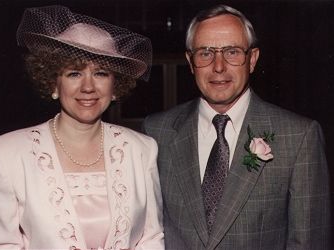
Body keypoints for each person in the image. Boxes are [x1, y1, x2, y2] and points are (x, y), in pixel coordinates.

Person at [142, 4, 331, 250]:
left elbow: (309, 242)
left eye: (232, 52)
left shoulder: (298, 137)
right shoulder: (156, 132)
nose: (218, 66)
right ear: (190, 62)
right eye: (205, 53)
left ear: (252, 59)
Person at [0, 5, 164, 250]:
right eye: (74, 73)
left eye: (100, 73)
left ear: (115, 86)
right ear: (53, 83)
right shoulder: (3, 154)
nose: (88, 87)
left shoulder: (142, 150)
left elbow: (151, 239)